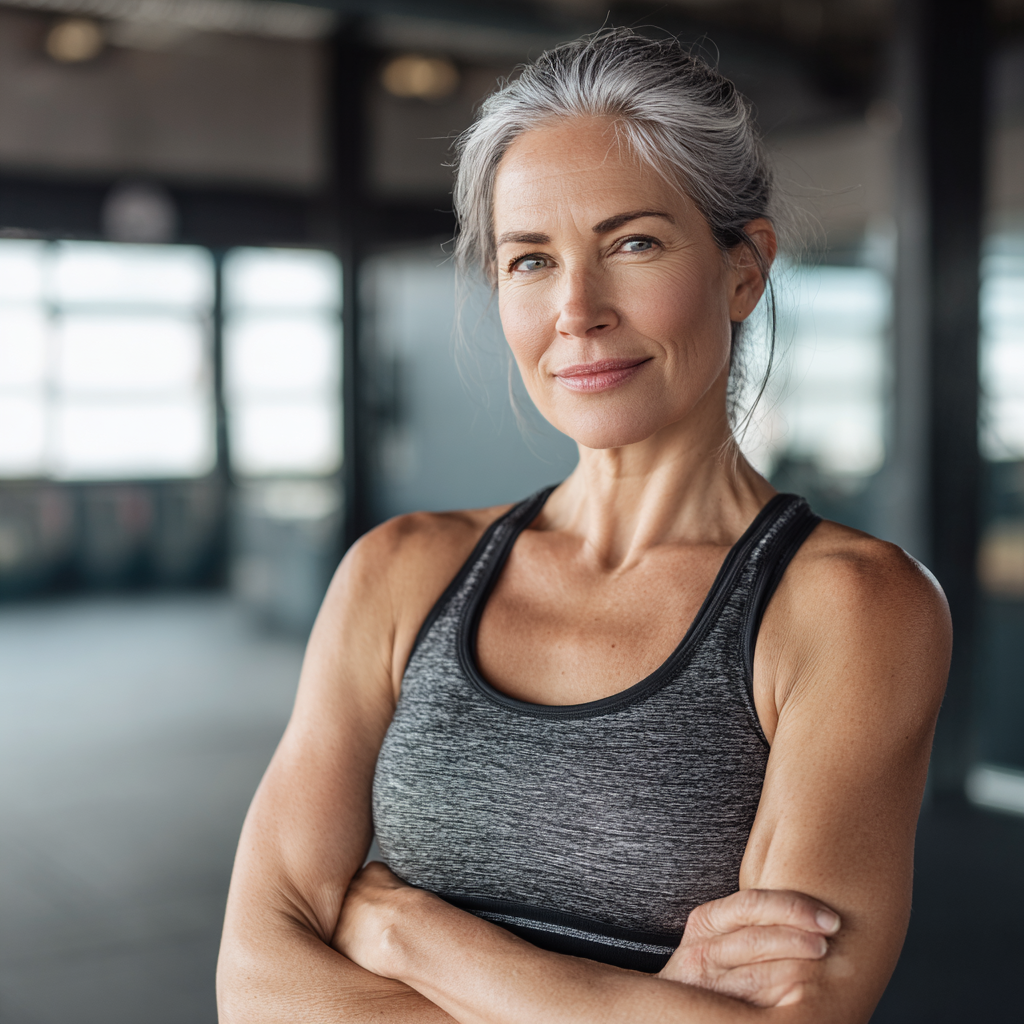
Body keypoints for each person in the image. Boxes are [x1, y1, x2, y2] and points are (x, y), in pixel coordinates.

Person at [217, 28, 950, 1024]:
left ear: (742, 269)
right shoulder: (398, 573)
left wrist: (408, 933)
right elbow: (257, 988)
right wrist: (645, 1004)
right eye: (529, 260)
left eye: (632, 243)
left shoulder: (848, 607)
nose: (577, 309)